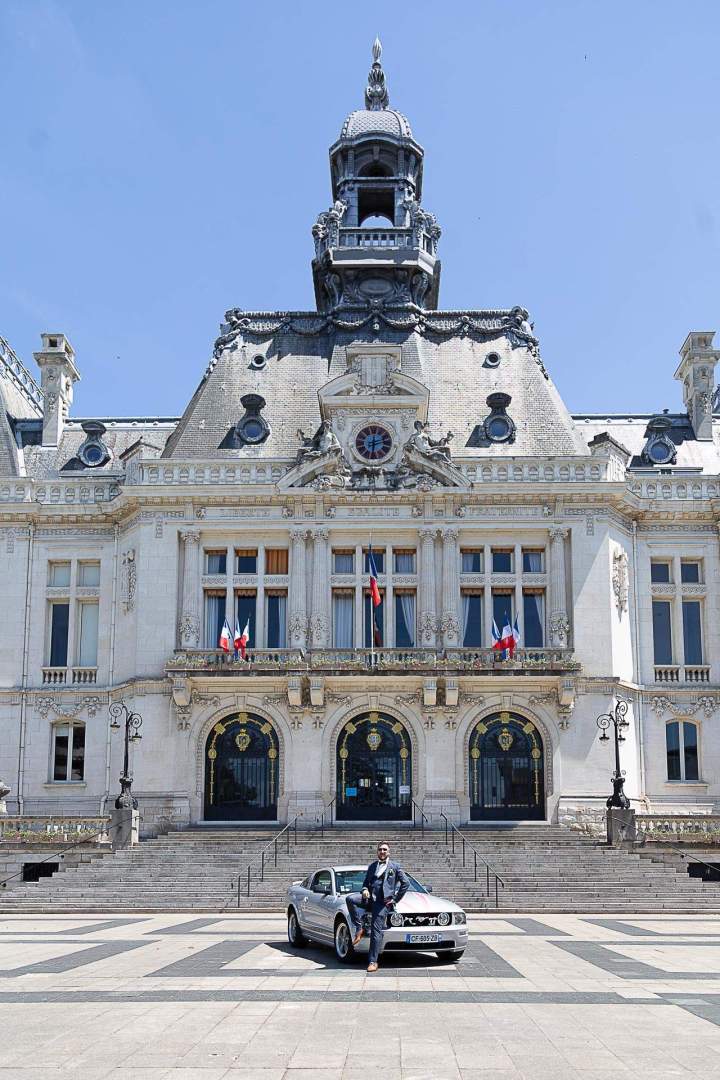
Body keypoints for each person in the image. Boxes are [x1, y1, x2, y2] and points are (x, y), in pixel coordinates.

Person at [346, 841, 410, 973]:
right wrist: (364, 889)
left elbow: (406, 883)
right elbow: (365, 883)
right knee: (350, 899)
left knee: (376, 931)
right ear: (377, 852)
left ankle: (373, 962)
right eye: (380, 849)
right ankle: (359, 927)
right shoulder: (372, 866)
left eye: (385, 850)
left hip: (383, 902)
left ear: (389, 852)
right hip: (369, 899)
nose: (382, 851)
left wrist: (394, 899)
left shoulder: (395, 867)